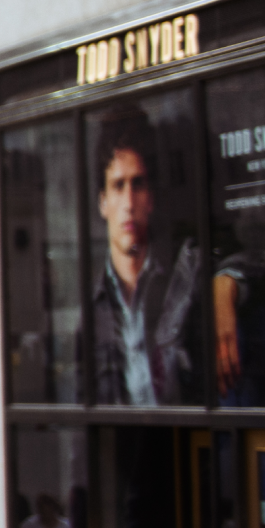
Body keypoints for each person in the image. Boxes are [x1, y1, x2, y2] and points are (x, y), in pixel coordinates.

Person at [90, 108, 205, 406]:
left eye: (137, 184)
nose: (129, 203)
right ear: (103, 203)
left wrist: (228, 284)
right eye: (118, 186)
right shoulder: (93, 310)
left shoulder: (183, 276)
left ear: (150, 198)